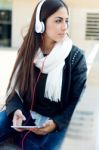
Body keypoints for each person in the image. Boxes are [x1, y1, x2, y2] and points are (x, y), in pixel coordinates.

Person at [0, 0, 87, 149]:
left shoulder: (75, 57)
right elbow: (14, 90)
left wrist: (56, 124)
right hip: (25, 114)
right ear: (40, 23)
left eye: (66, 21)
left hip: (56, 121)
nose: (65, 26)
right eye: (58, 20)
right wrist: (16, 110)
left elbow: (78, 101)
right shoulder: (27, 51)